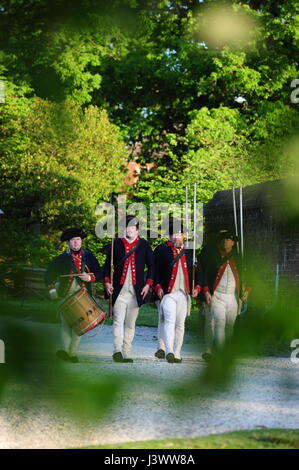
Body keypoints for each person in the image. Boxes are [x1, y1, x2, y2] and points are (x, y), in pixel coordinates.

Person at [45, 227, 102, 363]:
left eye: (78, 239)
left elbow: (100, 273)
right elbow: (49, 274)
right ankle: (66, 351)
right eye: (72, 240)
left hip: (83, 296)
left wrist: (89, 278)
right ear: (68, 243)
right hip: (65, 294)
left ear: (81, 241)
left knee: (79, 324)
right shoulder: (61, 259)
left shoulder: (90, 257)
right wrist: (52, 289)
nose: (76, 242)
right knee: (65, 323)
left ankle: (72, 353)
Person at [103, 215, 154, 363]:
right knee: (118, 321)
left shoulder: (144, 245)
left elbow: (152, 266)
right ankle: (117, 350)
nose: (129, 230)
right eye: (126, 227)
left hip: (136, 292)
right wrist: (107, 282)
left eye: (132, 227)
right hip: (119, 290)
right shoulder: (116, 244)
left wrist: (148, 284)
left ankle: (127, 351)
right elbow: (107, 267)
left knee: (130, 323)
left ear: (137, 230)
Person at [153, 218, 201, 363]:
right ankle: (169, 351)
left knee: (180, 324)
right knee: (169, 320)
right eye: (173, 234)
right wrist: (158, 286)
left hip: (184, 293)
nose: (176, 237)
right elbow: (154, 271)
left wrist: (197, 286)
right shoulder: (162, 251)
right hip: (168, 293)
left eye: (179, 234)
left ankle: (177, 352)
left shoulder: (190, 252)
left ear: (183, 236)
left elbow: (199, 271)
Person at [202, 231, 250, 361]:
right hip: (217, 295)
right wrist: (206, 290)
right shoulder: (213, 256)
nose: (226, 242)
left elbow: (246, 275)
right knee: (219, 322)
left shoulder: (238, 258)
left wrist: (246, 290)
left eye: (229, 240)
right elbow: (206, 274)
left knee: (230, 325)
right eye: (223, 239)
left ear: (233, 243)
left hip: (232, 296)